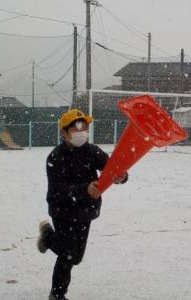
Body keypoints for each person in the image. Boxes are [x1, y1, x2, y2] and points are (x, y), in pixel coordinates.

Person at [37, 109, 128, 300]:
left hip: (86, 211)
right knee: (68, 254)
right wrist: (84, 189)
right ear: (64, 132)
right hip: (62, 210)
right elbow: (58, 191)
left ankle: (48, 238)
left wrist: (121, 176)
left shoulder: (91, 151)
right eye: (77, 128)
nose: (82, 132)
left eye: (85, 128)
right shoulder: (55, 157)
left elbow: (112, 166)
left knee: (76, 257)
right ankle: (57, 295)